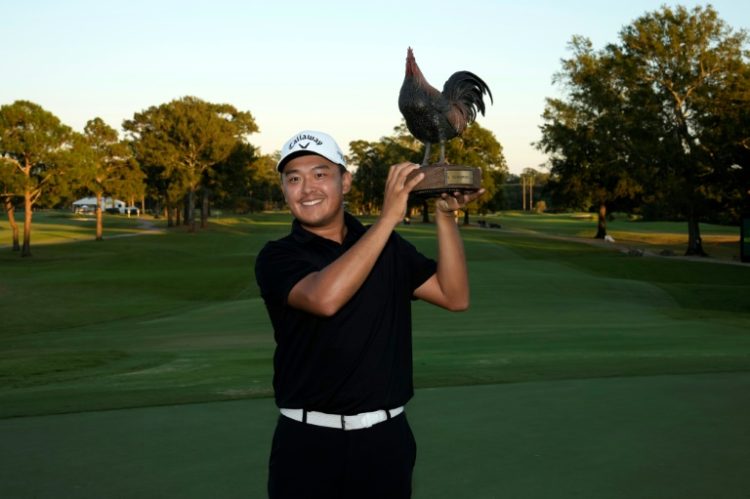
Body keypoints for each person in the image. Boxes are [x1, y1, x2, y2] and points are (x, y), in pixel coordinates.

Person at [255, 130, 483, 498]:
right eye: (293, 178)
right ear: (284, 189)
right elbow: (324, 298)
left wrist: (445, 217)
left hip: (385, 442)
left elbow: (453, 296)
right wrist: (388, 219)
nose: (307, 188)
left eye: (320, 173)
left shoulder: (387, 247)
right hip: (308, 444)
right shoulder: (277, 256)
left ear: (345, 181)